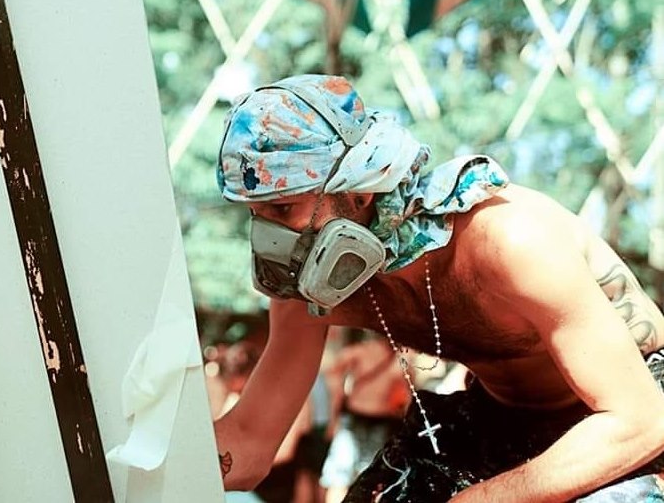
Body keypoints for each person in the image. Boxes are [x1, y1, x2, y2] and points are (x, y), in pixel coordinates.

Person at [213, 73, 664, 502]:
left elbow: (641, 421)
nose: (269, 238)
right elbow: (249, 445)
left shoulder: (506, 239)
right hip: (496, 420)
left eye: (283, 209)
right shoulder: (310, 291)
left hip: (632, 413)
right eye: (255, 214)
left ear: (358, 193)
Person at [321, 330, 411, 502]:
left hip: (373, 419)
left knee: (349, 476)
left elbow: (333, 373)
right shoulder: (396, 357)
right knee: (349, 476)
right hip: (363, 418)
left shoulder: (364, 351)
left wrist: (338, 396)